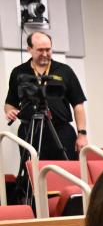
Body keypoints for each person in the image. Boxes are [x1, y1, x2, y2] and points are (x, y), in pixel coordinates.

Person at [5, 30, 88, 162]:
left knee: (67, 172)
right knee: (32, 174)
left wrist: (82, 134)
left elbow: (78, 104)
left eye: (48, 49)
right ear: (29, 49)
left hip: (61, 130)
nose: (45, 54)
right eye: (40, 50)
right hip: (30, 131)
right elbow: (10, 103)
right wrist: (10, 111)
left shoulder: (64, 71)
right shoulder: (18, 72)